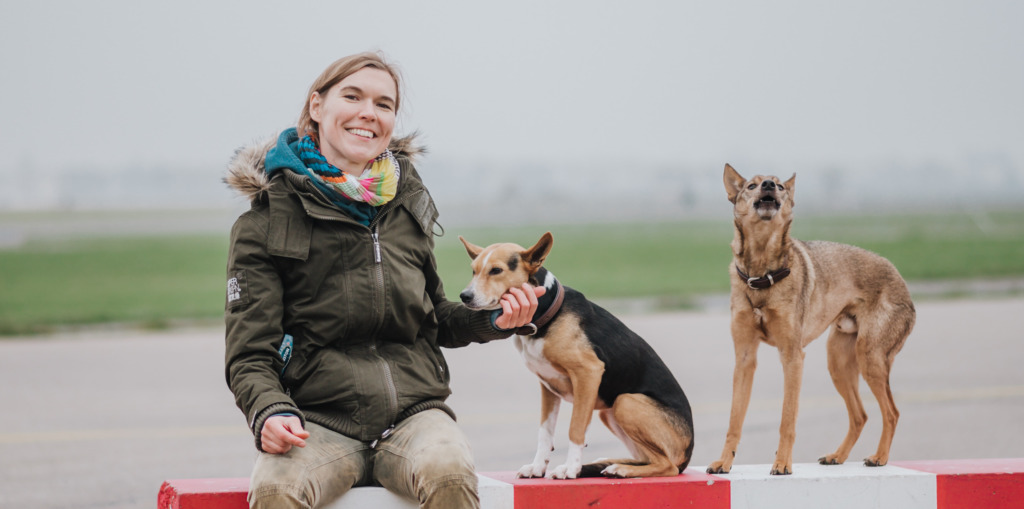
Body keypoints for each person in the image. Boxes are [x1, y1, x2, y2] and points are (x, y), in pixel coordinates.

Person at [223, 52, 544, 509]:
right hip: (317, 421)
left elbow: (437, 319)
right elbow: (249, 355)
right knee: (276, 491)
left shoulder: (406, 204)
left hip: (415, 416)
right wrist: (269, 411)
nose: (368, 114)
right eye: (352, 96)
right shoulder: (266, 220)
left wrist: (495, 319)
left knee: (450, 472)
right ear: (317, 106)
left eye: (384, 104)